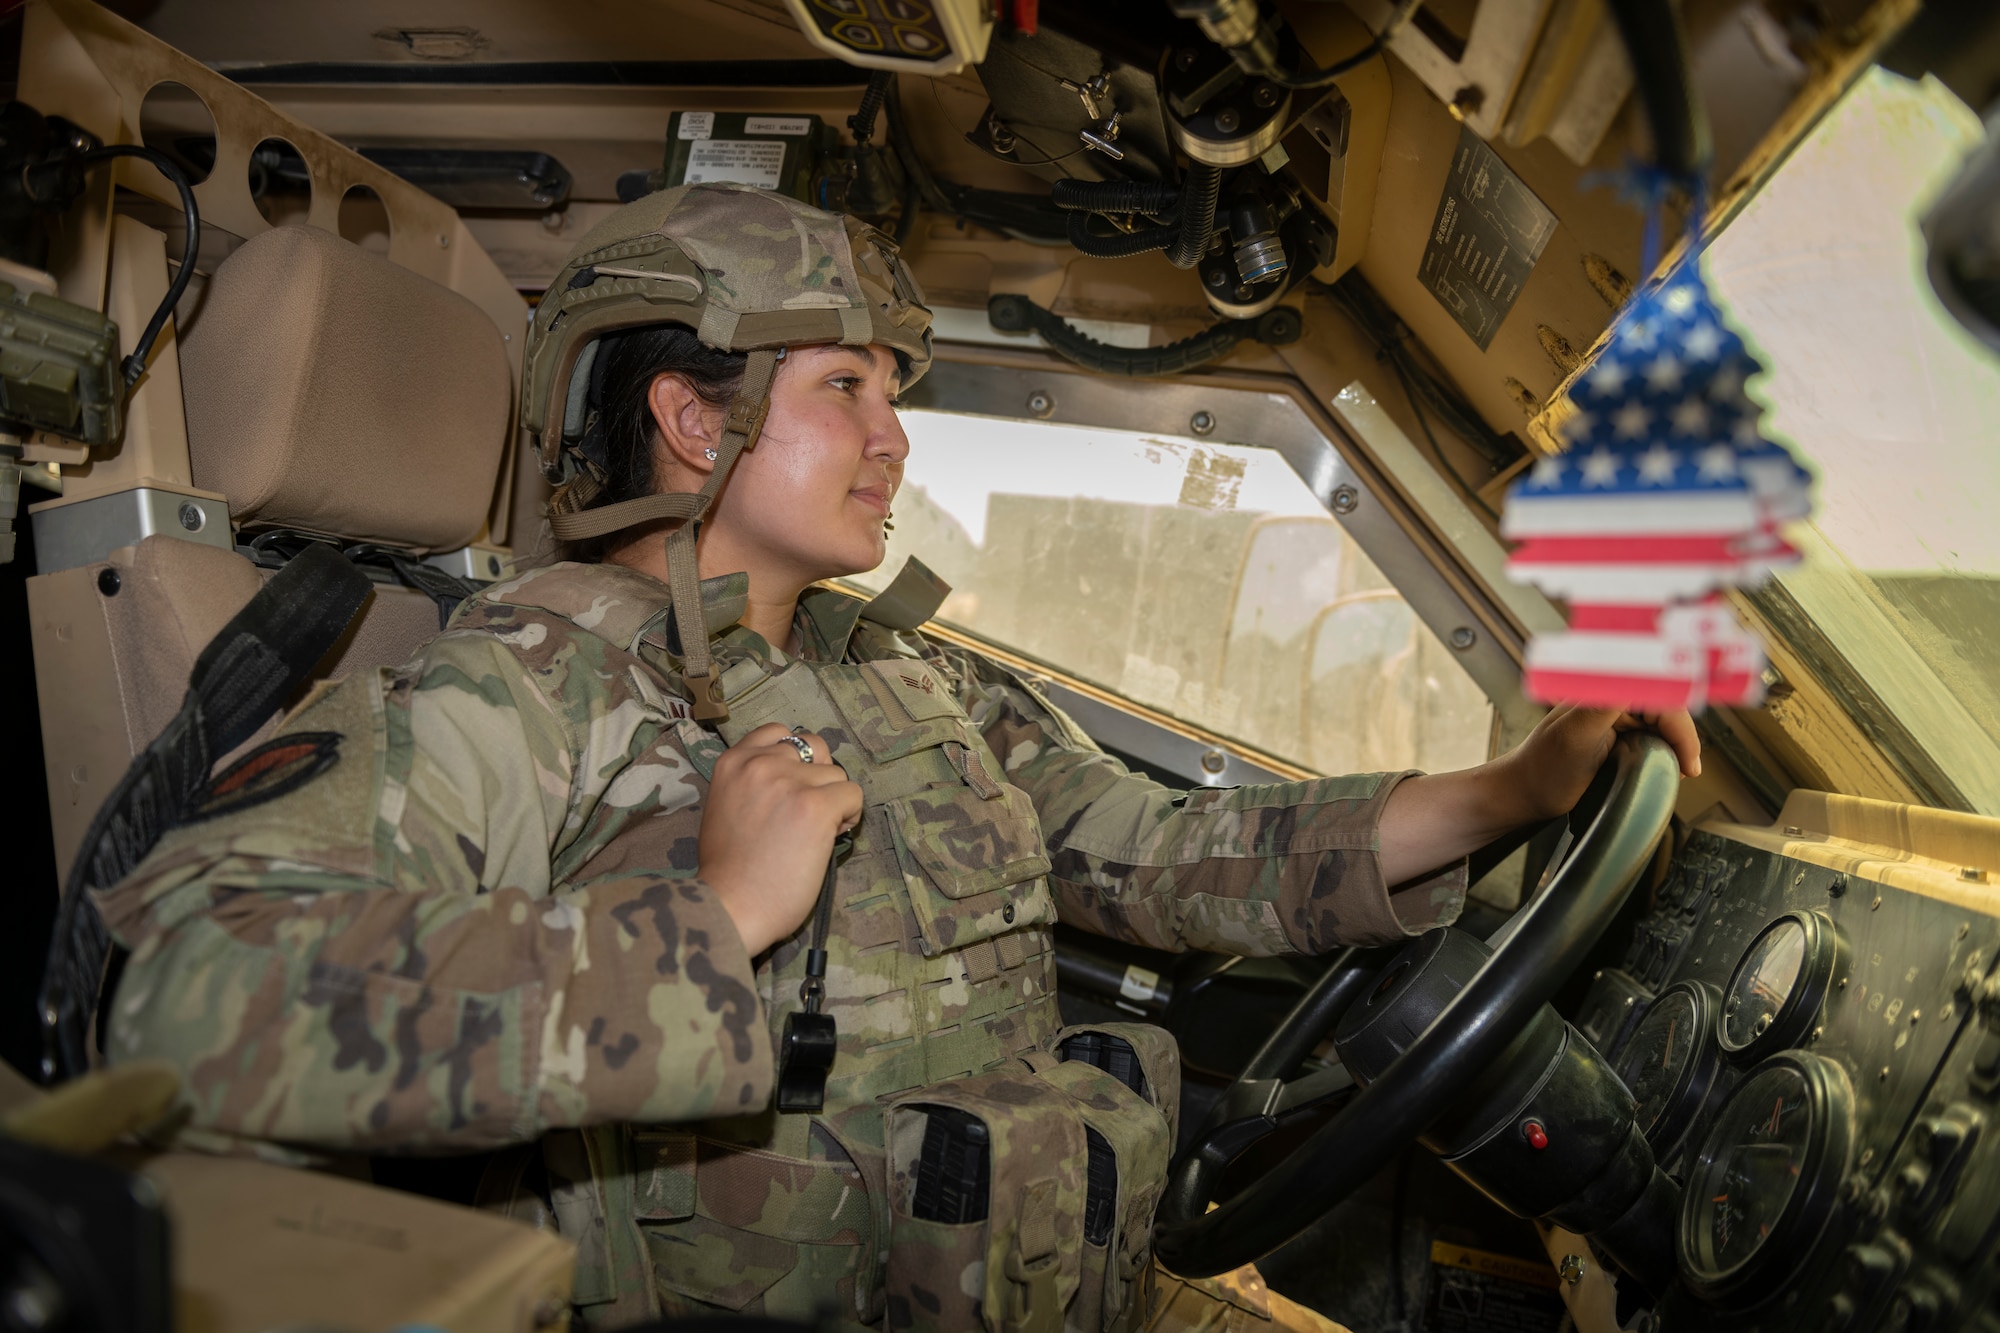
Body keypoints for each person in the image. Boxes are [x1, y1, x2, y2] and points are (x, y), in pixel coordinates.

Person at [92, 183, 1698, 1332]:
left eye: (896, 391)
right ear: (695, 420)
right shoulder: (537, 681)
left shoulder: (906, 677)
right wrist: (711, 922)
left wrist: (1514, 790)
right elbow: (194, 984)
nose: (896, 434)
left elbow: (1159, 848)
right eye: (845, 387)